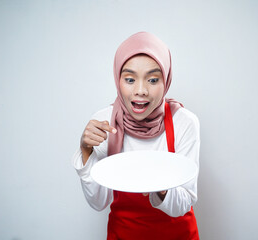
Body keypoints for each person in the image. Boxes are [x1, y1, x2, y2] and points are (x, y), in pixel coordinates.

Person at [72, 32, 200, 239]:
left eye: (152, 79)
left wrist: (158, 185)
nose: (141, 90)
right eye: (130, 79)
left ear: (165, 80)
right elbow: (97, 202)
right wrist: (85, 150)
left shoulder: (184, 122)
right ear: (117, 79)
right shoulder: (104, 122)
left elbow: (184, 203)